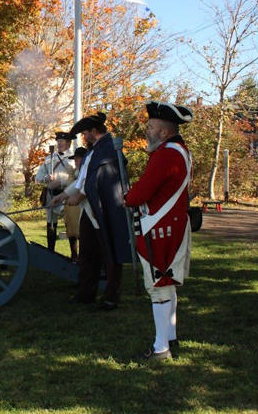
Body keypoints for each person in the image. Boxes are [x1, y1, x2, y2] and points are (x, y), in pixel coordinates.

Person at [124, 101, 193, 361]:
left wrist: (128, 198)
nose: (147, 131)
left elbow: (143, 190)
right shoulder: (178, 150)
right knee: (167, 285)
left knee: (159, 286)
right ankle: (170, 337)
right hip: (170, 225)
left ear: (164, 132)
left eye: (151, 127)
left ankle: (161, 347)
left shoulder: (166, 154)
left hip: (160, 229)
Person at [52, 112, 130, 310]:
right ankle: (86, 293)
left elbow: (97, 182)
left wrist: (77, 198)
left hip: (105, 209)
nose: (84, 138)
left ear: (94, 132)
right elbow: (82, 180)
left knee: (109, 253)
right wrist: (63, 195)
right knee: (87, 253)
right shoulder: (92, 152)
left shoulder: (109, 151)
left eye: (85, 134)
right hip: (90, 210)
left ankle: (111, 297)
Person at [36, 132, 76, 252]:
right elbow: (38, 177)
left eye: (62, 141)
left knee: (70, 225)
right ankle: (50, 253)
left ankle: (74, 256)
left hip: (67, 194)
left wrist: (61, 182)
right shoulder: (49, 159)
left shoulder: (74, 158)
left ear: (68, 143)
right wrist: (46, 178)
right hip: (51, 195)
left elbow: (76, 178)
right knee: (51, 225)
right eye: (58, 141)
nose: (59, 144)